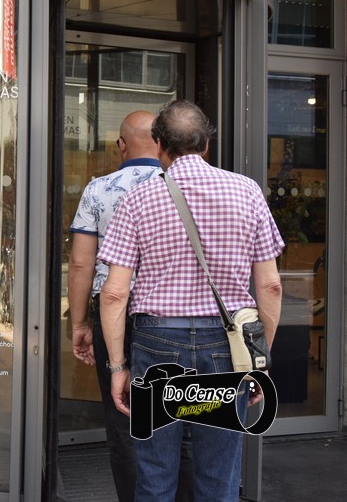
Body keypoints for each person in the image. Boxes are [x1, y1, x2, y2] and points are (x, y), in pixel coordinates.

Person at [98, 100, 284, 502]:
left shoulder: (138, 200)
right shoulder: (247, 192)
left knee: (155, 475)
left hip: (157, 344)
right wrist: (258, 360)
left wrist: (117, 367)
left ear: (160, 144)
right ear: (206, 144)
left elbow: (114, 292)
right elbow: (270, 286)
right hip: (226, 347)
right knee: (219, 478)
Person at [69, 110, 194, 502]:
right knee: (181, 417)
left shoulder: (99, 190)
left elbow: (81, 264)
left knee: (123, 417)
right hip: (175, 316)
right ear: (161, 141)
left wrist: (80, 323)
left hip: (115, 316)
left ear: (121, 145)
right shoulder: (185, 185)